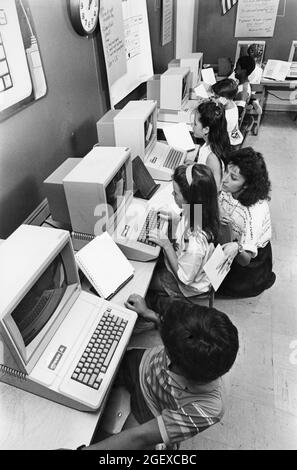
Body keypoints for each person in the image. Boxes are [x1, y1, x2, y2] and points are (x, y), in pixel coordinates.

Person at [75, 297, 239, 450]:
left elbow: (140, 437)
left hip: (152, 406)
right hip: (142, 363)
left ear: (174, 363)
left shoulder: (209, 408)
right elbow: (174, 330)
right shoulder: (193, 353)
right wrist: (148, 313)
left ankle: (165, 444)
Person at [147, 163, 219, 303]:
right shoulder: (200, 210)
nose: (173, 195)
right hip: (185, 263)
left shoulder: (195, 245)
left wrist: (166, 245)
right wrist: (176, 218)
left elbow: (183, 278)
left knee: (144, 281)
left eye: (176, 193)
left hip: (186, 287)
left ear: (191, 199)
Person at [218, 147, 276, 298]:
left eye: (233, 177)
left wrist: (237, 247)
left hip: (249, 262)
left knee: (210, 284)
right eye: (225, 171)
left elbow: (246, 260)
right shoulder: (228, 187)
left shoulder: (255, 211)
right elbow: (217, 200)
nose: (224, 179)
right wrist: (219, 210)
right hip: (230, 239)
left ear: (247, 185)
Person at [192, 99, 230, 190]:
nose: (192, 125)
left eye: (195, 124)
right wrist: (194, 166)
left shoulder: (212, 158)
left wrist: (189, 203)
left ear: (206, 129)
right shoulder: (208, 145)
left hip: (205, 202)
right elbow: (205, 171)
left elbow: (214, 191)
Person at [212, 78, 243, 148]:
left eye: (216, 97)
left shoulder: (228, 116)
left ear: (224, 98)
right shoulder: (232, 105)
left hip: (228, 144)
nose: (214, 99)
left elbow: (217, 132)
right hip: (233, 138)